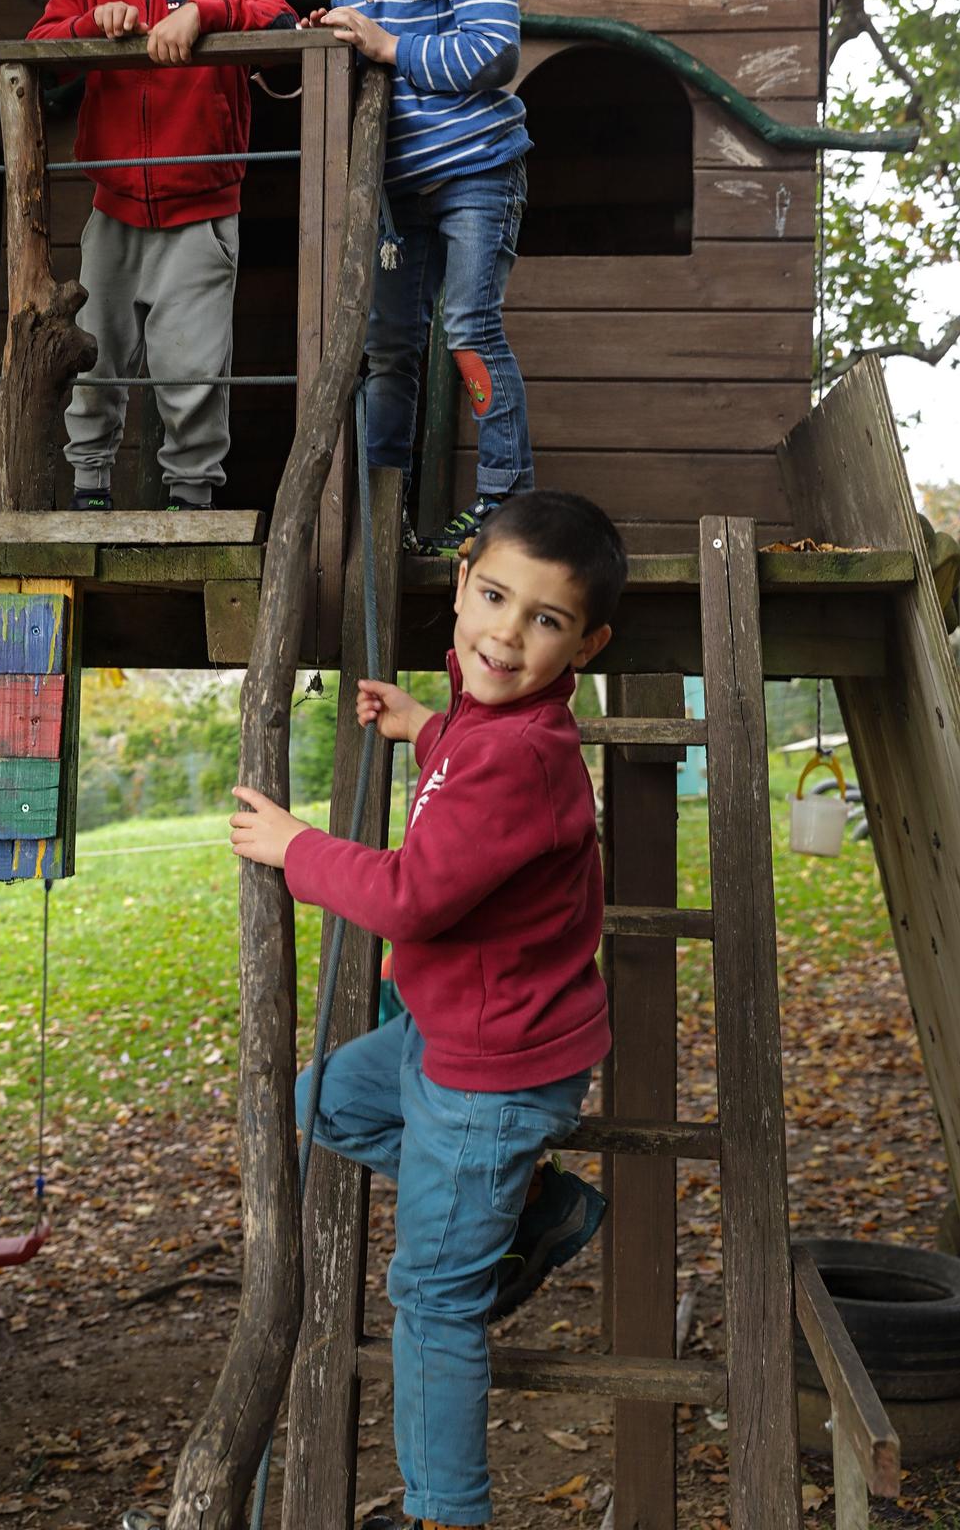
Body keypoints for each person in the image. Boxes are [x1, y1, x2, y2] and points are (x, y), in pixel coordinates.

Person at [230, 490, 627, 1530]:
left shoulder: (518, 759)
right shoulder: (487, 719)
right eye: (493, 595)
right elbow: (478, 748)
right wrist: (424, 724)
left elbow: (409, 895)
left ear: (586, 642)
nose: (505, 630)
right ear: (459, 588)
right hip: (450, 1029)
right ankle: (526, 1208)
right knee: (318, 1100)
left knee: (432, 1300)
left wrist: (296, 849)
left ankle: (445, 1512)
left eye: (544, 619)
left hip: (490, 1068)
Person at [28, 0, 296, 511]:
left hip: (201, 217)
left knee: (192, 366)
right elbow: (38, 51)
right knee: (95, 355)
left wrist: (205, 13)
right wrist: (91, 30)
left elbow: (279, 24)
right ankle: (89, 485)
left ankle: (190, 495)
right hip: (112, 214)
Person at [307, 0, 533, 553]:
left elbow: (490, 53)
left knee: (468, 327)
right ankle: (382, 515)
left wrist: (387, 44)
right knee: (388, 348)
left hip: (474, 169)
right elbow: (357, 69)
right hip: (395, 195)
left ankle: (503, 498)